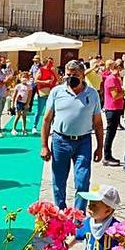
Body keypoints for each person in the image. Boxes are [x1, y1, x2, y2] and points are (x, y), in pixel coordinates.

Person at [40, 60, 103, 211]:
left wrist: (100, 147)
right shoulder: (57, 92)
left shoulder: (92, 94)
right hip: (60, 140)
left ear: (83, 75)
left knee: (82, 181)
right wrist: (44, 146)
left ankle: (78, 215)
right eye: (68, 74)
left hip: (83, 142)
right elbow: (47, 119)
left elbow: (98, 123)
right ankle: (61, 211)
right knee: (59, 181)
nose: (71, 77)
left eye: (75, 74)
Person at [73, 185, 120, 250]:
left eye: (94, 205)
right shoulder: (87, 223)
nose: (89, 207)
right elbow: (77, 237)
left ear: (108, 211)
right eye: (89, 203)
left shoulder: (116, 227)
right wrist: (65, 247)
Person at [102, 63, 125, 166]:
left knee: (112, 133)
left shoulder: (116, 79)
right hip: (112, 108)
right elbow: (115, 96)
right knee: (110, 133)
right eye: (118, 69)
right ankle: (107, 156)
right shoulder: (111, 79)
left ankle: (108, 155)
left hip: (116, 108)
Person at [32, 57, 58, 134]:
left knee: (52, 111)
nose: (52, 64)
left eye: (52, 63)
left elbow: (58, 80)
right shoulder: (41, 70)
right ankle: (34, 126)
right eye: (50, 62)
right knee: (39, 110)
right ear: (46, 63)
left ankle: (51, 127)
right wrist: (45, 82)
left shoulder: (52, 71)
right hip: (43, 92)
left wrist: (55, 73)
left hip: (52, 92)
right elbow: (36, 81)